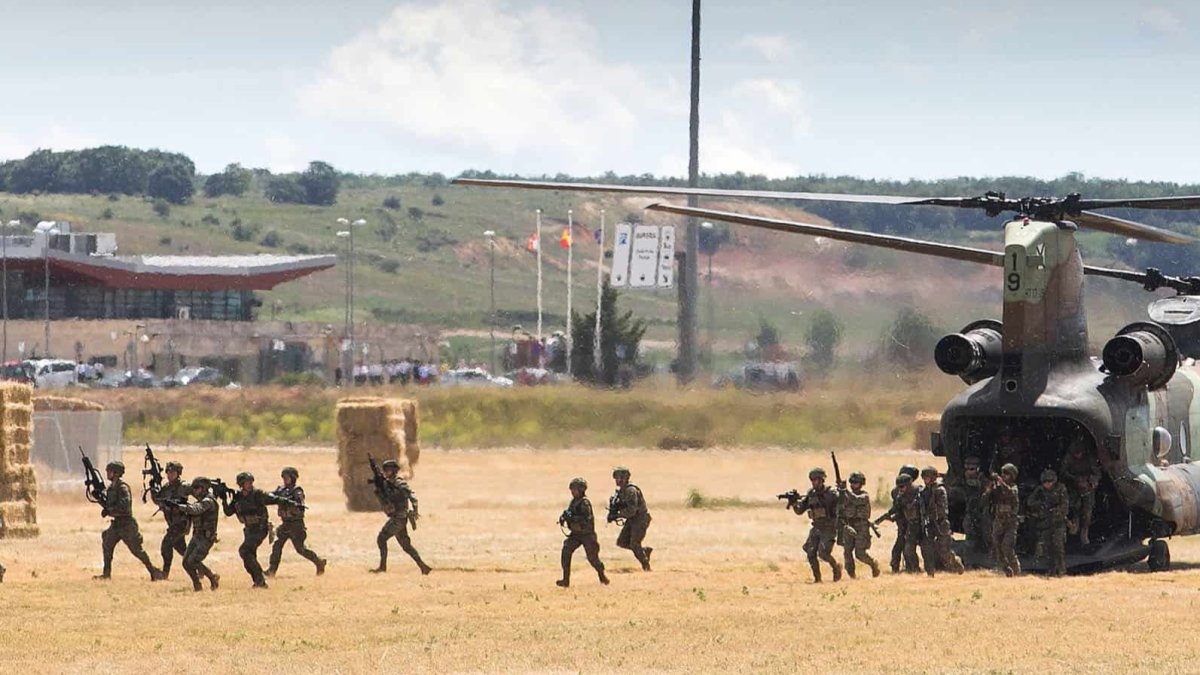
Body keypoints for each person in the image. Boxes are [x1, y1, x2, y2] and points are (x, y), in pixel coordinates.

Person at [95, 460, 163, 581]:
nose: (107, 473)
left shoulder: (123, 488)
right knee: (107, 543)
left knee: (137, 550)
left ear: (116, 473)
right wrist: (100, 500)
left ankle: (153, 571)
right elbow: (109, 503)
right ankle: (106, 574)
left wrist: (109, 510)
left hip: (127, 524)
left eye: (109, 471)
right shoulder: (111, 488)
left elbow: (124, 506)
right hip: (117, 524)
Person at [221, 471, 290, 588]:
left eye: (251, 482)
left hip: (260, 529)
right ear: (241, 484)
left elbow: (273, 499)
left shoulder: (258, 494)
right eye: (247, 483)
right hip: (249, 530)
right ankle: (258, 582)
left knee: (244, 551)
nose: (250, 484)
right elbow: (228, 512)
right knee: (249, 556)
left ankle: (260, 579)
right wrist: (224, 500)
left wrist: (288, 501)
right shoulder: (238, 497)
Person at [371, 460, 431, 575]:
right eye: (384, 470)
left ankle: (382, 567)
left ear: (393, 471)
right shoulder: (387, 483)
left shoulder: (399, 483)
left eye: (387, 470)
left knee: (381, 538)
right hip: (398, 518)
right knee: (406, 546)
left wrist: (415, 508)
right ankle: (423, 567)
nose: (385, 472)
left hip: (398, 518)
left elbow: (411, 494)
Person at [267, 466, 327, 578]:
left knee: (300, 549)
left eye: (287, 477)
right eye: (284, 477)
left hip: (296, 525)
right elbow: (270, 496)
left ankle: (319, 562)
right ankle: (272, 570)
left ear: (293, 478)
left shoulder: (297, 491)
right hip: (285, 524)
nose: (285, 479)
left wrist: (290, 505)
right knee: (277, 545)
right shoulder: (281, 490)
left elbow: (300, 507)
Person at [169, 476, 221, 592]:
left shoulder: (208, 501)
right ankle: (197, 585)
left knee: (193, 561)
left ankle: (212, 577)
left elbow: (196, 509)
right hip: (197, 536)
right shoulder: (201, 500)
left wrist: (180, 507)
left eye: (197, 488)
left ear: (204, 488)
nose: (195, 491)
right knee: (186, 563)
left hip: (206, 538)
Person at [557, 477, 609, 587]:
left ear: (581, 490)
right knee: (566, 551)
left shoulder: (585, 503)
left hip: (587, 535)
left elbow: (586, 519)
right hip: (576, 534)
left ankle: (602, 576)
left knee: (592, 558)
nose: (572, 492)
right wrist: (564, 517)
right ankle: (565, 580)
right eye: (571, 489)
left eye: (575, 489)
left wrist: (573, 518)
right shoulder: (574, 502)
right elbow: (570, 513)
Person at [792, 467, 841, 582]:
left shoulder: (831, 494)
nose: (814, 483)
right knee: (810, 552)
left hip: (829, 528)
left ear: (822, 480)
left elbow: (843, 503)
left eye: (816, 480)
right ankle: (817, 579)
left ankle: (836, 566)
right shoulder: (811, 494)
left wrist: (842, 491)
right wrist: (794, 502)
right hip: (817, 527)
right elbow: (800, 511)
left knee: (823, 553)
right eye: (812, 480)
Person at [920, 466, 965, 576]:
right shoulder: (924, 492)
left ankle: (956, 563)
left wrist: (936, 516)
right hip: (929, 523)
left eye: (927, 477)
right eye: (924, 477)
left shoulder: (940, 490)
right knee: (926, 548)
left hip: (941, 524)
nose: (925, 480)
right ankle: (930, 572)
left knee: (944, 550)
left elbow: (943, 508)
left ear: (933, 478)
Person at [151, 460, 191, 580]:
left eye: (172, 472)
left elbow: (196, 491)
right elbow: (158, 500)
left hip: (181, 523)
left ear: (178, 473)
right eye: (168, 472)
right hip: (173, 523)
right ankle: (204, 571)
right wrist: (153, 488)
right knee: (183, 550)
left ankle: (165, 574)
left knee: (166, 545)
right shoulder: (166, 487)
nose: (169, 475)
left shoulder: (183, 486)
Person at [608, 467, 653, 571]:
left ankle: (646, 565)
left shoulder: (630, 490)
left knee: (634, 543)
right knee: (622, 542)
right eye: (616, 478)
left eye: (620, 478)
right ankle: (644, 551)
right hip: (632, 519)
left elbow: (631, 510)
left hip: (640, 519)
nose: (617, 480)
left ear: (625, 478)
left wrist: (618, 515)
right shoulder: (622, 491)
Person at [838, 471, 880, 578]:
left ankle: (873, 564)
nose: (853, 485)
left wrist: (845, 490)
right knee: (847, 552)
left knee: (860, 553)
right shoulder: (846, 495)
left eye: (855, 483)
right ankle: (852, 575)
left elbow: (855, 500)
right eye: (851, 482)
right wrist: (841, 492)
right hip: (849, 526)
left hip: (862, 527)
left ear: (861, 484)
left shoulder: (864, 496)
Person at [1028, 468, 1069, 576]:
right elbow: (1030, 502)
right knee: (1047, 547)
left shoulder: (1061, 489)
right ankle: (1050, 570)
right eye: (1045, 482)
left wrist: (1055, 512)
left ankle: (1061, 570)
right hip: (1045, 522)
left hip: (1058, 522)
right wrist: (1041, 507)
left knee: (1058, 546)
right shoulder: (1040, 490)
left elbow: (1065, 506)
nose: (1048, 484)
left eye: (1050, 482)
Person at [1059, 441, 1101, 545]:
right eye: (1076, 454)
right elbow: (1063, 472)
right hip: (1073, 486)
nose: (1078, 456)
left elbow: (1097, 473)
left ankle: (1084, 532)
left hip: (1088, 487)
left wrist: (1092, 480)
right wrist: (1075, 479)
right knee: (1075, 507)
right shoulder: (1068, 458)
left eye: (1080, 453)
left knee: (1087, 511)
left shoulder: (1089, 458)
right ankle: (1075, 524)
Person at [985, 463, 1021, 577]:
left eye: (1006, 474)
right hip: (999, 521)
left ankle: (1016, 570)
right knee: (997, 546)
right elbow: (986, 500)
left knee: (1007, 547)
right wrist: (989, 490)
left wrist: (1001, 481)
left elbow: (1010, 493)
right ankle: (1006, 569)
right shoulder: (998, 488)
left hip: (1011, 522)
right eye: (1002, 474)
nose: (1004, 476)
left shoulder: (1014, 488)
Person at [962, 456, 991, 554]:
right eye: (966, 469)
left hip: (983, 512)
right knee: (970, 534)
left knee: (986, 535)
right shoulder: (963, 479)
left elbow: (986, 497)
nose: (969, 472)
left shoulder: (984, 481)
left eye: (971, 469)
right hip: (970, 512)